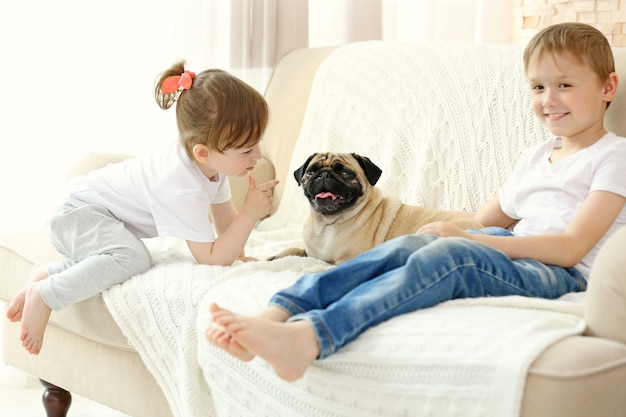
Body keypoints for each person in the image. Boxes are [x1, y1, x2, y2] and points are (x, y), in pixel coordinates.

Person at [206, 21, 626, 382]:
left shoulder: (614, 156)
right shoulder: (535, 157)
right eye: (538, 86)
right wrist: (436, 230)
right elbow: (481, 220)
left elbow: (572, 247)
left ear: (608, 87)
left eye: (564, 86)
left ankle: (310, 338)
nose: (549, 100)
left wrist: (471, 242)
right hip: (510, 251)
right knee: (404, 247)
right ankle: (278, 314)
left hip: (559, 272)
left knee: (450, 259)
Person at [6, 62, 279, 355]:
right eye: (247, 149)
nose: (259, 155)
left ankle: (48, 273)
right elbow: (211, 258)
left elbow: (224, 222)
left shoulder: (210, 168)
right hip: (76, 215)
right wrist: (250, 214)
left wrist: (240, 255)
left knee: (119, 251)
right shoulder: (181, 184)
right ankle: (47, 294)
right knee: (133, 258)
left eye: (257, 143)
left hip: (89, 214)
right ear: (203, 151)